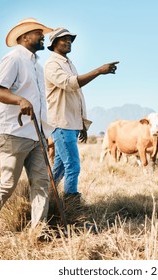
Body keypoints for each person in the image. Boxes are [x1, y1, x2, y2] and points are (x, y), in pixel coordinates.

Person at [0, 18, 54, 233]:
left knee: (41, 183)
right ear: (25, 37)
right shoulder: (13, 59)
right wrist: (20, 100)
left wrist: (46, 131)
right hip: (14, 132)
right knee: (8, 183)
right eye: (39, 33)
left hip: (36, 134)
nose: (43, 37)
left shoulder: (37, 66)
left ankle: (39, 230)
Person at [44, 27, 118, 223]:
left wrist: (82, 124)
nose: (68, 42)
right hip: (61, 122)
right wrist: (98, 71)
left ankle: (47, 202)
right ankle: (72, 209)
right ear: (53, 44)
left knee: (59, 166)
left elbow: (77, 96)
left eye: (70, 39)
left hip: (70, 123)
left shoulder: (69, 64)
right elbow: (70, 84)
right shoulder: (52, 65)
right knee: (73, 166)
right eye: (63, 39)